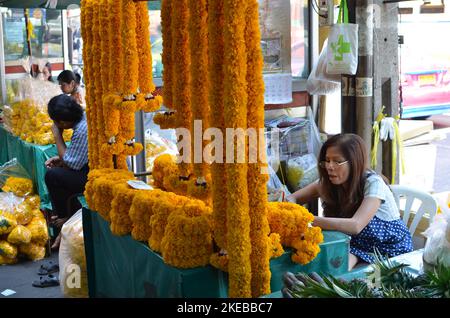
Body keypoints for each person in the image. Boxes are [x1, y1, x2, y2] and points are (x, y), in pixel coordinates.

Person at [285, 133, 413, 270]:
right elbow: (291, 198)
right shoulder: (328, 182)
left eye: (337, 161)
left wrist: (306, 220)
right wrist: (291, 214)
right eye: (327, 160)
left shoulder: (374, 183)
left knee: (342, 275)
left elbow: (355, 226)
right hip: (354, 245)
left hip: (388, 250)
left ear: (354, 162)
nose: (330, 167)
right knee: (329, 270)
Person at [44, 94, 88, 250]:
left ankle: (66, 220)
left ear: (62, 122)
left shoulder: (83, 129)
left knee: (53, 176)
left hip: (98, 176)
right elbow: (75, 158)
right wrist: (61, 159)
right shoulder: (83, 117)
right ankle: (69, 219)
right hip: (88, 167)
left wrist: (57, 135)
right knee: (56, 174)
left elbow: (72, 164)